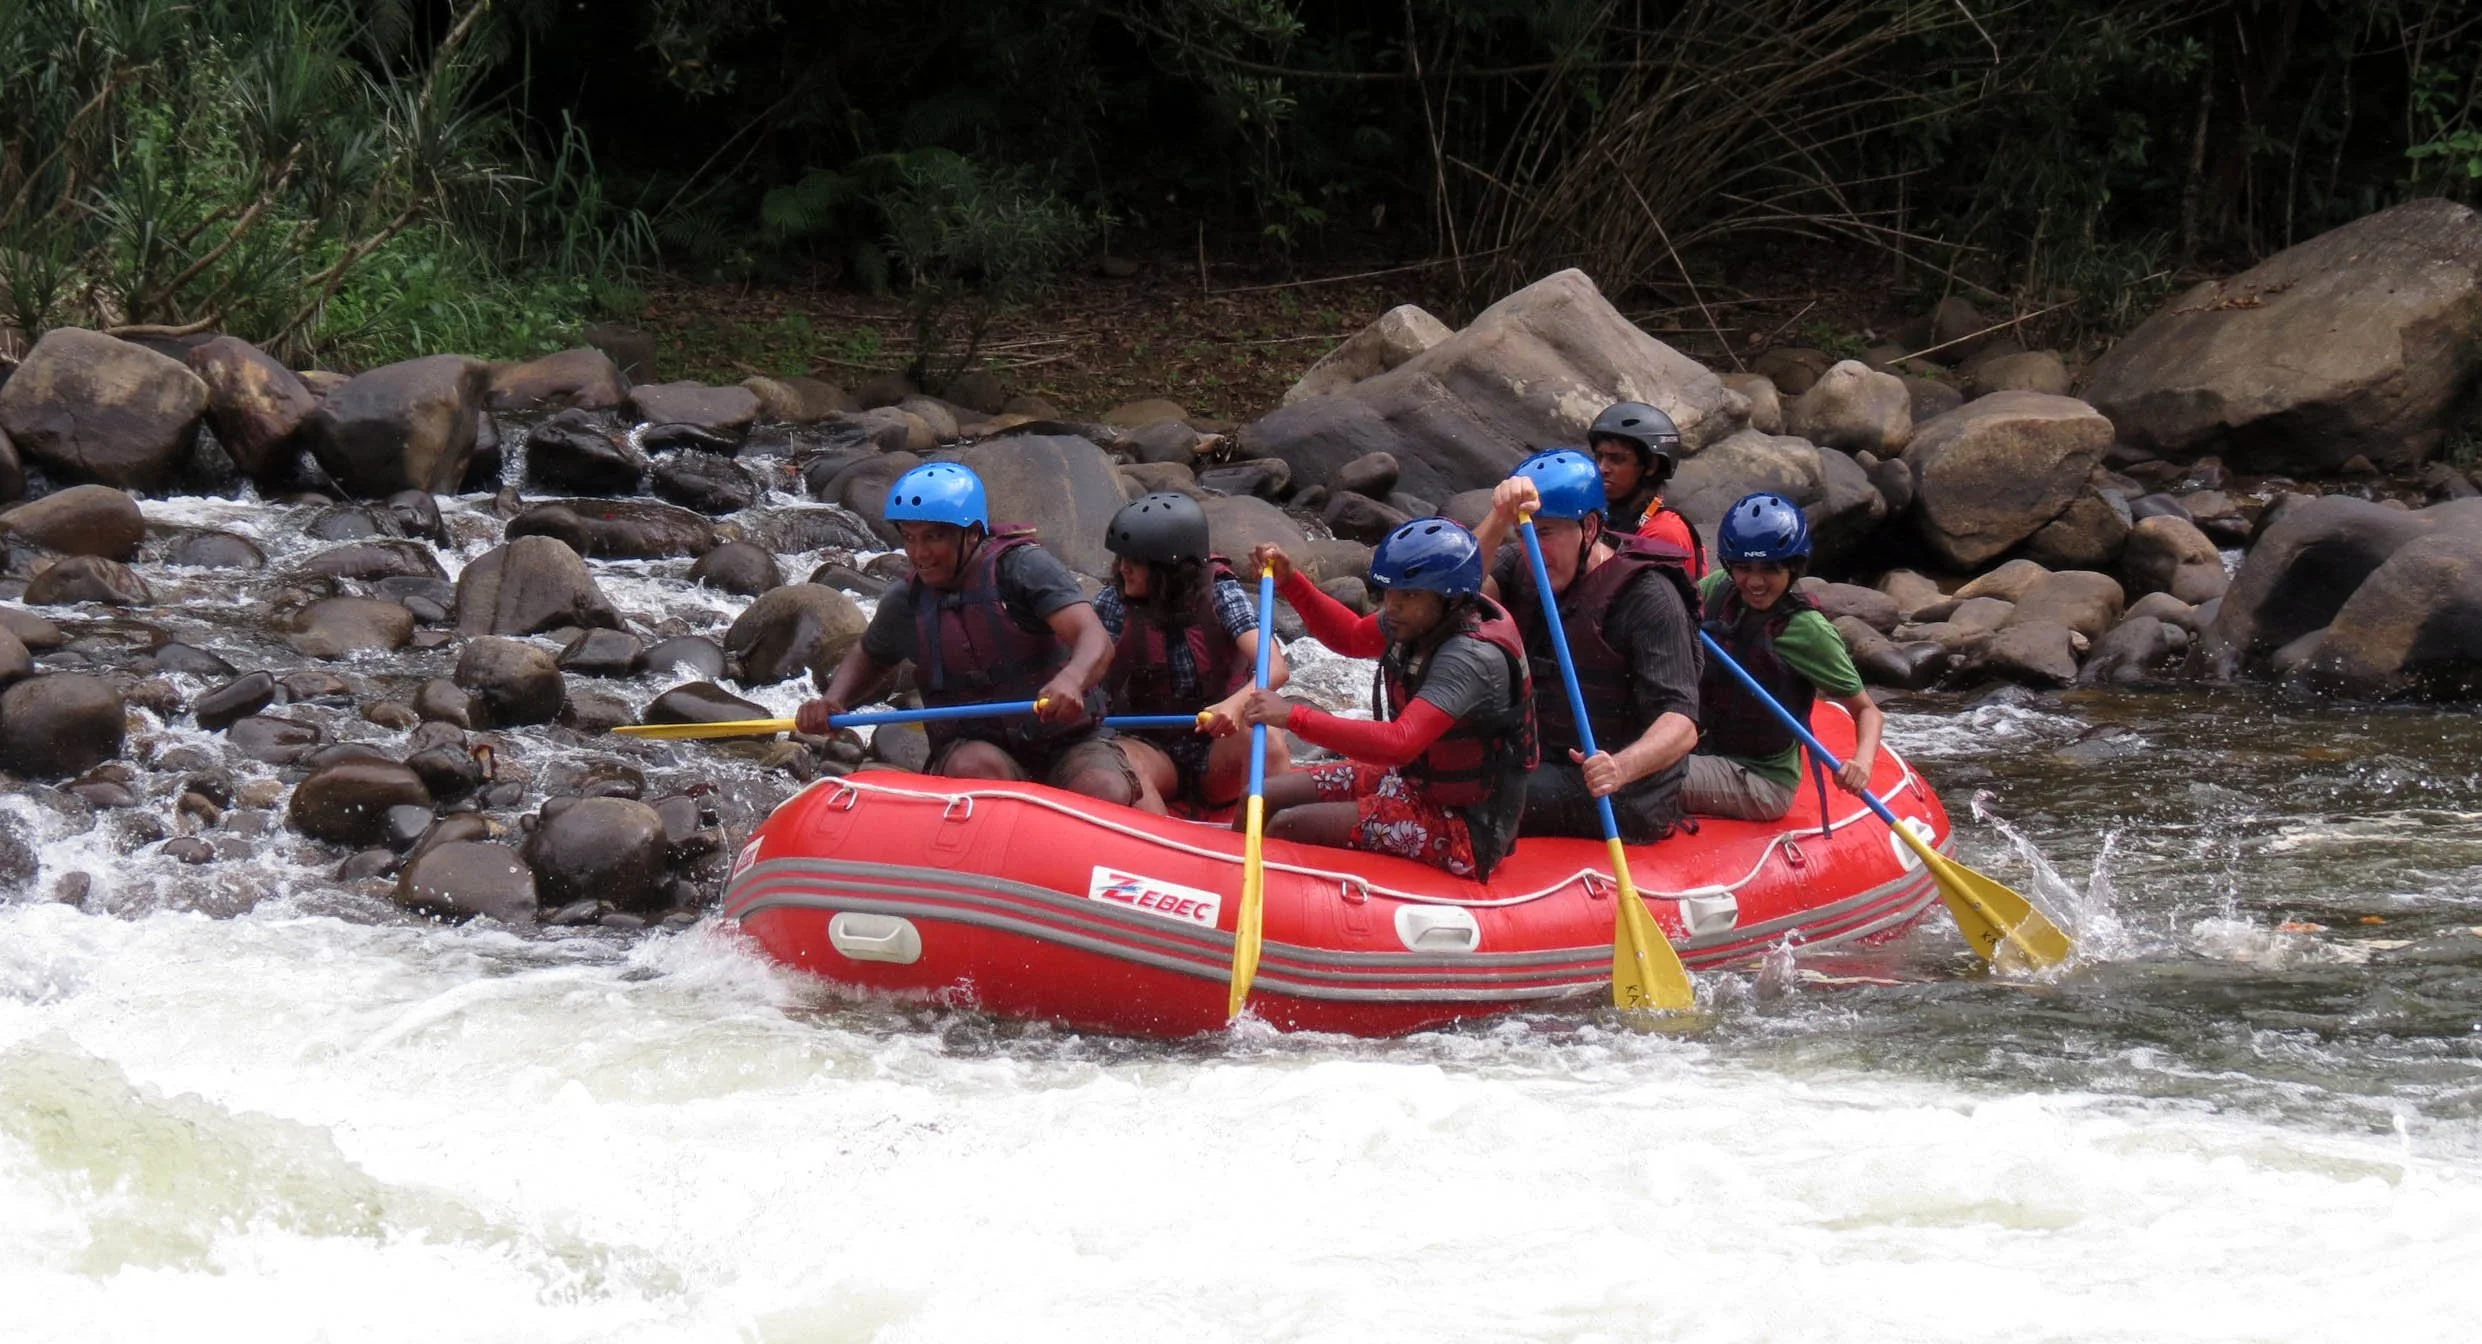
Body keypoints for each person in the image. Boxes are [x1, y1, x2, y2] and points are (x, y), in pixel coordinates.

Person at [1203, 518, 1537, 880]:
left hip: (1466, 827)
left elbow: (1399, 743)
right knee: (1260, 795)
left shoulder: (1469, 659)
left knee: (1289, 825)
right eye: (1391, 592)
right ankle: (1227, 888)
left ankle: (1268, 908)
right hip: (1412, 780)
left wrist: (1292, 716)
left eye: (1408, 595)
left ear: (1450, 598)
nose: (1392, 605)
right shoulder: (1417, 618)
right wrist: (1291, 582)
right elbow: (1349, 637)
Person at [797, 462, 1133, 802]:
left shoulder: (1022, 569)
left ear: (972, 534)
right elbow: (871, 655)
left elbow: (1094, 637)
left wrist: (1073, 679)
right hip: (977, 749)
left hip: (1068, 742)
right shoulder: (907, 601)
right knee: (975, 766)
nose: (918, 553)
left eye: (933, 537)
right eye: (910, 538)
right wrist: (833, 701)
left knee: (1104, 787)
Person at [1470, 447, 1703, 843]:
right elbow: (1457, 588)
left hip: (1620, 792)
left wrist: (1620, 768)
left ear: (1590, 528)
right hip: (1540, 759)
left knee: (1477, 793)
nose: (1533, 548)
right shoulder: (1521, 563)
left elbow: (1681, 725)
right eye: (1524, 532)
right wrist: (1498, 518)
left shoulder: (1649, 597)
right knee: (1442, 773)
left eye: (1545, 532)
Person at [1683, 492, 1883, 821]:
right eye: (1744, 568)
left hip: (1761, 779)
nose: (1755, 581)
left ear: (1793, 568)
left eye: (1770, 569)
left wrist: (1861, 763)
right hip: (1702, 748)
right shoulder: (1719, 588)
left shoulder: (1807, 630)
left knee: (1646, 778)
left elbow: (1868, 711)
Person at [1093, 491, 1291, 814]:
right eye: (1121, 558)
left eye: (1135, 561)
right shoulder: (1114, 603)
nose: (1122, 568)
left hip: (1216, 748)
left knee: (1266, 737)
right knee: (1121, 766)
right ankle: (1159, 856)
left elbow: (1276, 667)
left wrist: (1235, 704)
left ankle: (1269, 848)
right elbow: (1086, 664)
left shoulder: (1220, 593)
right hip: (1151, 748)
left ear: (1168, 569)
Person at [1587, 401, 1706, 577]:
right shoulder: (1611, 518)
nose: (1602, 468)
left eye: (1617, 459)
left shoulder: (1665, 533)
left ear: (1651, 466)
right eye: (1599, 457)